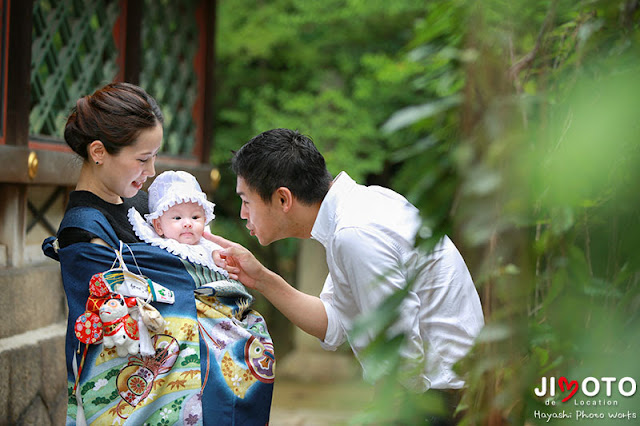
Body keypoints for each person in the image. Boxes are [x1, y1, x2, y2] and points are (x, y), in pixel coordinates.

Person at [208, 128, 485, 420]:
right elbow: (336, 322)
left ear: (282, 199)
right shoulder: (357, 210)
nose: (242, 213)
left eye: (246, 201)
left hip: (438, 400)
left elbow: (401, 346)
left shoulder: (355, 233)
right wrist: (260, 278)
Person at [42, 83, 275, 425]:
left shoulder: (145, 208)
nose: (151, 171)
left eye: (154, 157)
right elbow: (120, 329)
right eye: (142, 159)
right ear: (98, 152)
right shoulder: (84, 230)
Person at [127, 170, 229, 275]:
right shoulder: (160, 246)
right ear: (158, 226)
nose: (188, 223)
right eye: (177, 218)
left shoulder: (208, 244)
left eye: (195, 217)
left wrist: (219, 258)